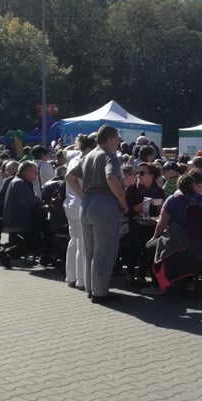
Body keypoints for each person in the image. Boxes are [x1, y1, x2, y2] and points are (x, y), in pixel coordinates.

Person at [65, 125, 129, 304]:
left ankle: (91, 289)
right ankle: (101, 292)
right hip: (105, 204)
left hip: (86, 204)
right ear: (110, 139)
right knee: (105, 250)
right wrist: (122, 199)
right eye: (117, 140)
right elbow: (111, 178)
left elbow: (69, 177)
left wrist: (83, 196)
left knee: (89, 249)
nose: (118, 144)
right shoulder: (110, 156)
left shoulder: (88, 156)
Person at [146, 170, 202, 295]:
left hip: (178, 239)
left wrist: (154, 237)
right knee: (188, 252)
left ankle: (157, 285)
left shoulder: (173, 200)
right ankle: (189, 282)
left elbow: (162, 223)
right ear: (193, 186)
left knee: (150, 248)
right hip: (201, 240)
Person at [0, 161, 53, 268]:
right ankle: (7, 253)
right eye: (34, 172)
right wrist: (44, 203)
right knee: (40, 239)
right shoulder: (19, 183)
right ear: (25, 172)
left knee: (46, 231)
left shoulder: (21, 182)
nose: (36, 175)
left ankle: (46, 257)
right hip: (18, 220)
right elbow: (31, 201)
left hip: (23, 218)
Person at [122, 162, 166, 285]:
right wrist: (143, 205)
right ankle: (130, 274)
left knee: (148, 251)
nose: (138, 176)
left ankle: (141, 275)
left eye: (142, 173)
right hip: (136, 224)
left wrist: (159, 208)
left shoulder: (158, 191)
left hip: (152, 224)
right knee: (134, 249)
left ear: (152, 175)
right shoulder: (132, 189)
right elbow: (128, 211)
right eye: (137, 173)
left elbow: (161, 210)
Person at [63, 135, 95, 290]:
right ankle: (82, 280)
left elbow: (65, 151)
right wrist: (84, 196)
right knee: (83, 243)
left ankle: (71, 276)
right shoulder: (84, 161)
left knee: (74, 240)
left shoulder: (73, 158)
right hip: (80, 204)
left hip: (69, 204)